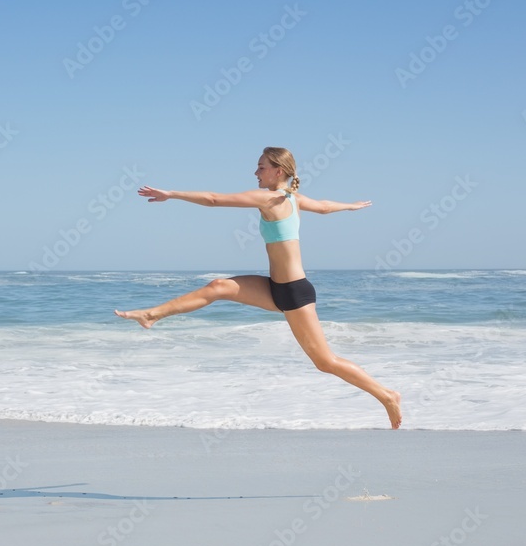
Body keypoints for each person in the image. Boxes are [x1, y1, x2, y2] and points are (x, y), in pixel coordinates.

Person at [115, 147, 402, 429]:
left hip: (294, 292)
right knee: (219, 287)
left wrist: (172, 194)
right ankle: (151, 315)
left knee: (325, 361)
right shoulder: (293, 198)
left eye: (261, 167)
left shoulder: (272, 199)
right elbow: (325, 207)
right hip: (275, 286)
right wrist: (349, 206)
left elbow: (215, 199)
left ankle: (387, 395)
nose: (255, 172)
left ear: (278, 171)